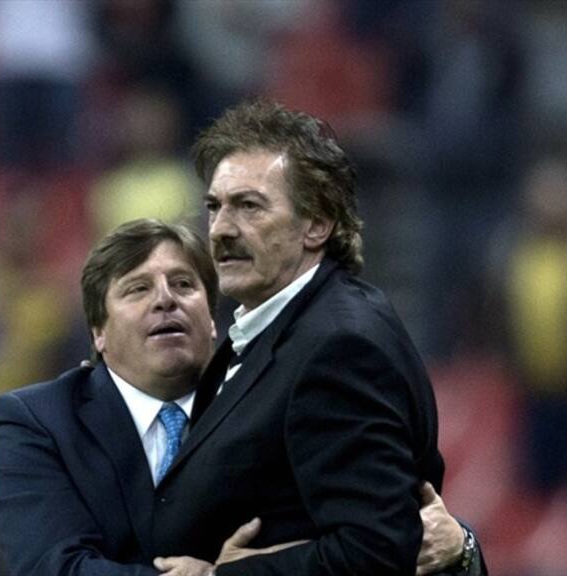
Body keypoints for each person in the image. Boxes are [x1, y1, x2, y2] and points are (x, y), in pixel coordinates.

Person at [0, 219, 480, 576]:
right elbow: (58, 569)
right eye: (138, 289)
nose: (165, 298)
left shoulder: (279, 395)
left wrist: (465, 550)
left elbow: (370, 538)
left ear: (210, 320)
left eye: (183, 284)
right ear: (98, 330)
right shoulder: (37, 421)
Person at [150, 100, 485, 575]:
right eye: (215, 207)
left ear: (317, 224)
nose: (222, 229)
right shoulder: (272, 326)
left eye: (249, 206)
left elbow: (376, 550)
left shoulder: (340, 347)